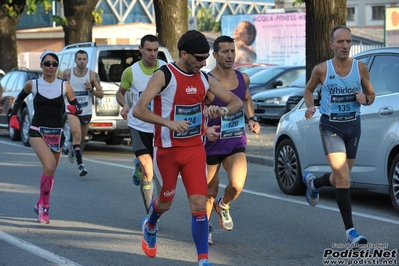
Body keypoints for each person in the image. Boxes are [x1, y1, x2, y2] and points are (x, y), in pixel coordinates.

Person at [133, 30, 243, 266]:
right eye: (200, 58)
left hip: (194, 150)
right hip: (167, 151)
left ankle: (203, 260)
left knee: (198, 205)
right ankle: (150, 225)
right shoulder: (164, 75)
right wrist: (168, 123)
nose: (204, 63)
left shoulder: (203, 78)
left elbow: (236, 102)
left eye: (206, 59)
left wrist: (219, 111)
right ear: (184, 54)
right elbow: (139, 109)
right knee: (165, 202)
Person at [302, 25, 375, 247]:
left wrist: (366, 99)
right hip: (330, 127)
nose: (345, 46)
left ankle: (314, 183)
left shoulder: (361, 68)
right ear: (331, 44)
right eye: (340, 42)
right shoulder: (322, 70)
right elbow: (308, 90)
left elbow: (371, 94)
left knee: (340, 177)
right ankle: (351, 231)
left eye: (348, 42)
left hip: (353, 127)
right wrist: (310, 106)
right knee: (344, 177)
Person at [8, 50, 82, 224]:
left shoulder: (65, 86)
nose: (51, 66)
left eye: (54, 64)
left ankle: (40, 202)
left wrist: (72, 109)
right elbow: (19, 99)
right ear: (41, 65)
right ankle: (45, 207)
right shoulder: (32, 84)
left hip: (57, 133)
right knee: (49, 166)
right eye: (47, 63)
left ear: (57, 66)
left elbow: (77, 107)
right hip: (37, 131)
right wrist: (13, 115)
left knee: (51, 171)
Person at [204, 36, 261, 245]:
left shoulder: (243, 78)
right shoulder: (207, 81)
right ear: (215, 55)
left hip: (235, 141)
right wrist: (207, 117)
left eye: (232, 51)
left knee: (236, 185)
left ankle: (224, 205)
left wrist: (252, 118)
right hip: (211, 143)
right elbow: (197, 108)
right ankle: (206, 226)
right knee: (209, 192)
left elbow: (246, 98)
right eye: (225, 52)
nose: (229, 55)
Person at [115, 34, 163, 216]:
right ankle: (151, 215)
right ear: (140, 49)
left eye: (155, 50)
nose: (152, 54)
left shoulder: (166, 69)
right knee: (148, 172)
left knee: (161, 173)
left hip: (159, 127)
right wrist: (125, 104)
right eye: (149, 50)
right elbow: (120, 93)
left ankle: (138, 164)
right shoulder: (131, 72)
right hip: (139, 126)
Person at [62, 50, 103, 176]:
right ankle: (81, 166)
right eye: (79, 59)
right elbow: (60, 87)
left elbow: (101, 94)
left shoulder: (92, 75)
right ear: (75, 60)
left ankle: (72, 147)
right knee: (77, 134)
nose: (81, 61)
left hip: (86, 110)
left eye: (84, 59)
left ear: (87, 60)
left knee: (81, 139)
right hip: (71, 109)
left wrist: (91, 89)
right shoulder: (68, 73)